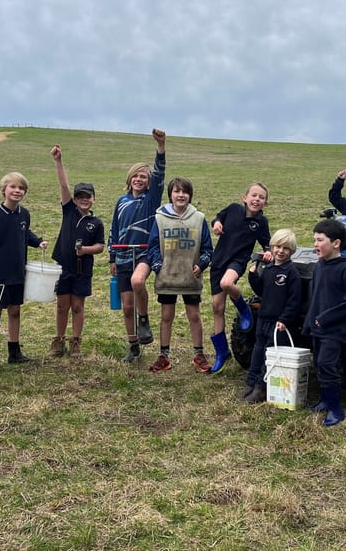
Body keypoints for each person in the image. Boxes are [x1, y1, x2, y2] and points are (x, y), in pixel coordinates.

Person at [0, 172, 48, 374]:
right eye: (13, 187)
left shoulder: (24, 214)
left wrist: (37, 241)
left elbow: (25, 233)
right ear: (4, 190)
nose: (17, 191)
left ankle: (14, 351)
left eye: (21, 188)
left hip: (18, 272)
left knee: (15, 310)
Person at [141, 177, 214, 373]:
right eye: (176, 191)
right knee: (166, 316)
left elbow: (207, 247)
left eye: (184, 192)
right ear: (170, 195)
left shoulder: (199, 218)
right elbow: (153, 246)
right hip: (168, 276)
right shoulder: (160, 218)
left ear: (190, 195)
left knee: (194, 315)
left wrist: (201, 264)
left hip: (190, 277)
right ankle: (164, 356)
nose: (180, 195)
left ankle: (199, 354)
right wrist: (158, 266)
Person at [108, 128, 166, 362]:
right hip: (122, 256)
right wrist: (112, 257)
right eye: (136, 176)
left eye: (144, 176)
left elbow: (160, 175)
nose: (139, 179)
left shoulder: (150, 198)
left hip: (143, 253)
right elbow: (113, 229)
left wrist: (160, 147)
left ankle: (144, 319)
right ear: (130, 179)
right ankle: (133, 345)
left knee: (138, 281)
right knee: (126, 305)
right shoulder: (121, 201)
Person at [302, 217, 346, 426]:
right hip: (318, 327)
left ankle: (336, 409)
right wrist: (310, 321)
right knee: (319, 363)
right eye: (314, 240)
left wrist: (325, 319)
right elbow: (316, 296)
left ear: (336, 243)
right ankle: (324, 401)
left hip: (334, 329)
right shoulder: (319, 266)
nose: (315, 244)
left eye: (320, 240)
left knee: (327, 364)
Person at [208, 182, 271, 374]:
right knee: (217, 307)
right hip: (218, 260)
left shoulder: (261, 223)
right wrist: (217, 224)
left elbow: (267, 243)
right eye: (254, 195)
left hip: (237, 261)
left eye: (261, 197)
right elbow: (218, 218)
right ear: (245, 198)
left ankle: (243, 308)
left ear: (265, 203)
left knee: (227, 283)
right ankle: (221, 352)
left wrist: (268, 253)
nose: (257, 199)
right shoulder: (234, 209)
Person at [50, 145, 105, 358]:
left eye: (88, 196)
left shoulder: (96, 222)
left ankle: (76, 342)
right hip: (63, 268)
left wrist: (85, 251)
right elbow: (63, 184)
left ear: (93, 199)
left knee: (77, 306)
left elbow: (100, 246)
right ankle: (58, 340)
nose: (84, 199)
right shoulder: (68, 212)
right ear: (73, 199)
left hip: (83, 270)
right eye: (80, 196)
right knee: (62, 305)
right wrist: (58, 161)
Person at [240, 228, 302, 404]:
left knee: (270, 355)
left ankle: (261, 387)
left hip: (279, 323)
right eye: (278, 247)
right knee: (258, 351)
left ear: (291, 251)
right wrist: (253, 274)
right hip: (263, 318)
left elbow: (294, 300)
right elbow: (261, 290)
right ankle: (250, 383)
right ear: (272, 247)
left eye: (286, 249)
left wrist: (284, 319)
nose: (281, 251)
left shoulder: (291, 273)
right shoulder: (268, 269)